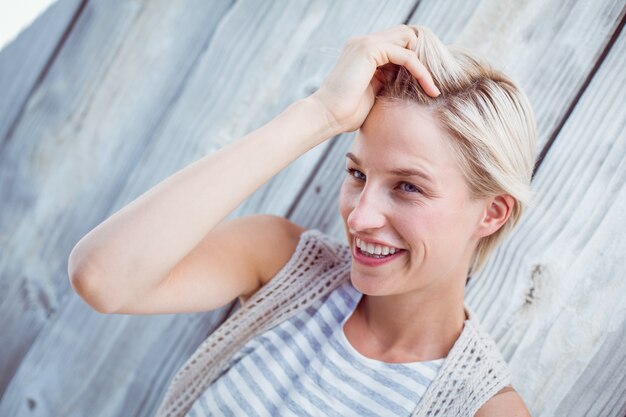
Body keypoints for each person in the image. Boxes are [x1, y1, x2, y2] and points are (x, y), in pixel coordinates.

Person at [68, 24, 534, 417]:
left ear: (491, 213)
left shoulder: (484, 408)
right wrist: (321, 114)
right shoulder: (284, 265)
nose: (361, 215)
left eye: (407, 186)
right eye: (357, 174)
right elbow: (102, 277)